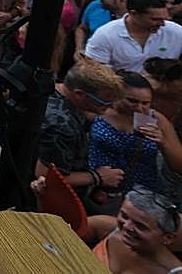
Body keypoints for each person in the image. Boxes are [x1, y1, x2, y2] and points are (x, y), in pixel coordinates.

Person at [37, 58, 126, 199]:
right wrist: (97, 177)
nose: (110, 108)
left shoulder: (49, 88)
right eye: (104, 102)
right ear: (79, 94)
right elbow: (45, 175)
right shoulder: (62, 127)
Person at [90, 71, 165, 203]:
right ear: (116, 95)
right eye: (132, 101)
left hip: (140, 193)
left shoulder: (155, 119)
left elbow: (178, 162)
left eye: (145, 103)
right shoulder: (98, 110)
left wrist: (163, 143)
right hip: (100, 188)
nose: (139, 108)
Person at [91, 187, 182, 273]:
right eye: (124, 216)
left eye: (140, 225)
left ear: (168, 238)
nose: (126, 226)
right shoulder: (107, 227)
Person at [86, 0, 182, 74]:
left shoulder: (175, 31)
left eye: (164, 19)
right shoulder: (105, 35)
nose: (162, 24)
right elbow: (94, 71)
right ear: (133, 14)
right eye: (155, 19)